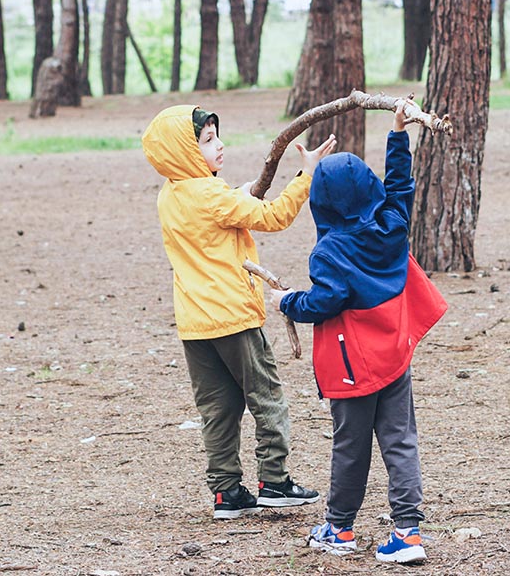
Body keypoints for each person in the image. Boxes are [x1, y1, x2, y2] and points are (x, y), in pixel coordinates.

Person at [270, 102, 448, 563]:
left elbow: (323, 303)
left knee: (350, 447)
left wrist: (286, 300)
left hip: (355, 368)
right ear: (370, 188)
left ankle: (339, 529)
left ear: (322, 204)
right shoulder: (392, 226)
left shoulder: (329, 253)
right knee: (400, 440)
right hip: (395, 354)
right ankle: (408, 533)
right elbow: (400, 189)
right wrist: (397, 135)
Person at [141, 104, 335, 520]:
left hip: (195, 324)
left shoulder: (171, 195)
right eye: (207, 142)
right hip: (232, 317)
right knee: (267, 398)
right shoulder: (211, 195)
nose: (219, 145)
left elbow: (218, 214)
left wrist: (237, 195)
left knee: (218, 408)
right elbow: (276, 216)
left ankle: (226, 492)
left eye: (217, 137)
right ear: (183, 152)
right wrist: (306, 176)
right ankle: (275, 481)